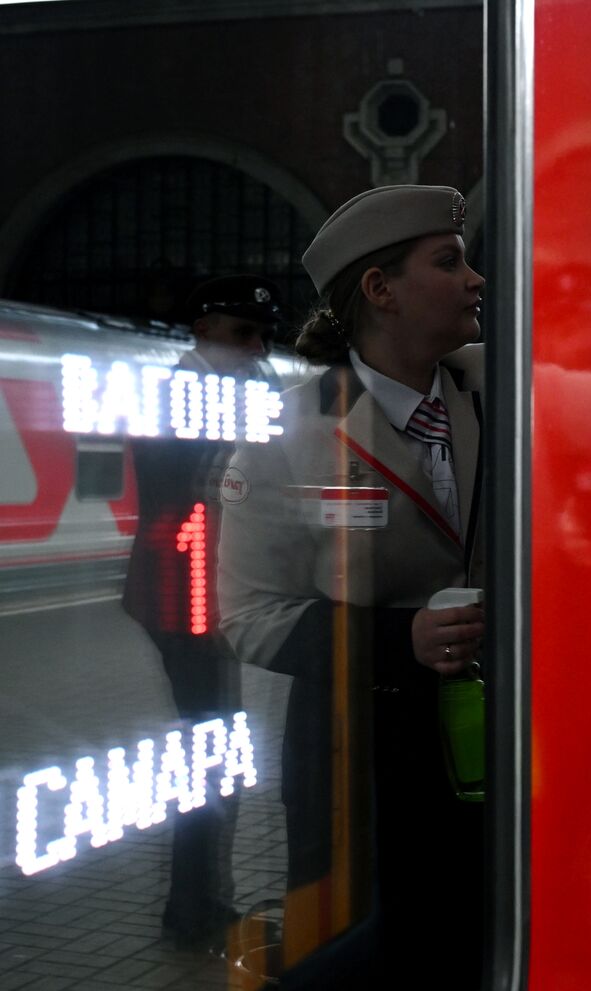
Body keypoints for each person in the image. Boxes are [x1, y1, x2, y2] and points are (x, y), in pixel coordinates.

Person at [217, 185, 487, 982]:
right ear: (380, 290)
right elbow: (248, 613)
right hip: (360, 749)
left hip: (499, 733)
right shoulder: (289, 437)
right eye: (449, 262)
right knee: (380, 944)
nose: (475, 279)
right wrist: (397, 638)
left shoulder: (497, 390)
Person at [122, 275, 283, 952]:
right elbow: (197, 497)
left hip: (193, 591)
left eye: (262, 335)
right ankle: (194, 906)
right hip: (186, 595)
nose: (256, 348)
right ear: (205, 327)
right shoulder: (182, 400)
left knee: (212, 747)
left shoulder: (216, 397)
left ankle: (200, 898)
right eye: (244, 333)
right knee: (210, 751)